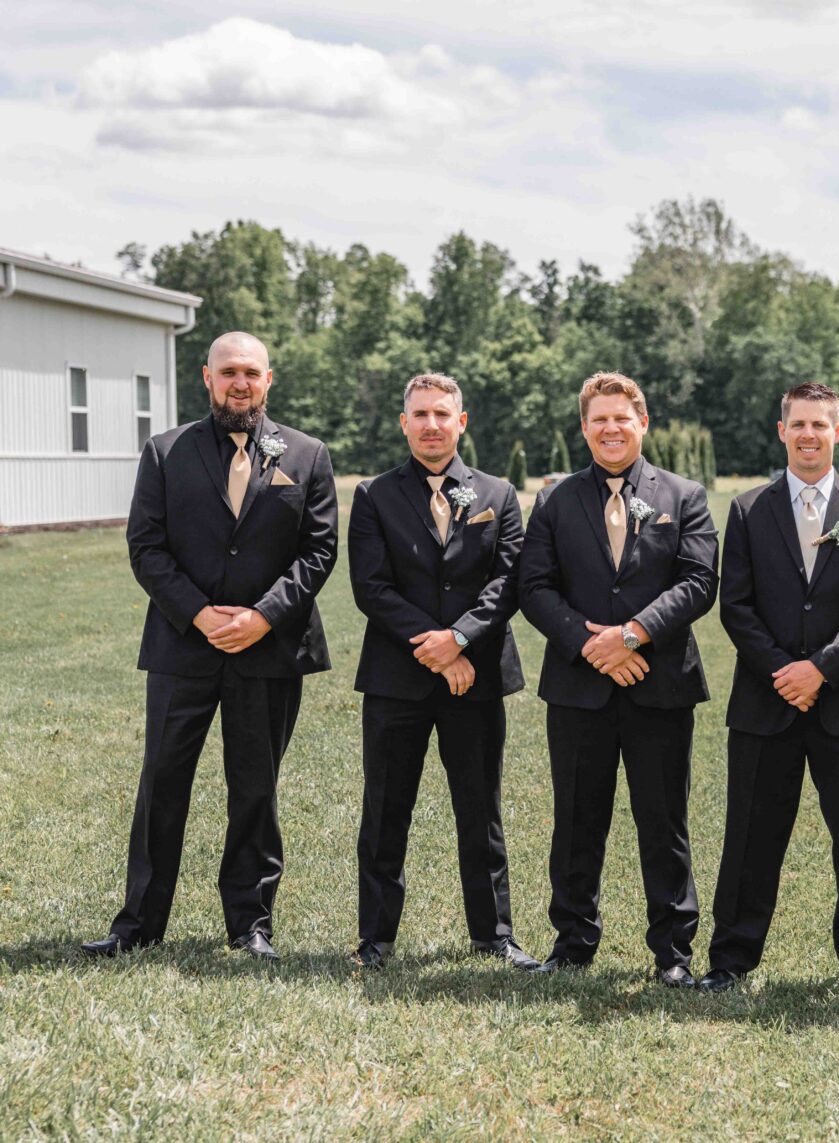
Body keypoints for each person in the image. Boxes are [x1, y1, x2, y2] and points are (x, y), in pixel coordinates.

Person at [82, 331, 338, 961]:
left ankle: (250, 925)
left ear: (268, 379)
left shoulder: (307, 455)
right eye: (228, 372)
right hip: (182, 646)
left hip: (269, 649)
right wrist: (198, 614)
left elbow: (319, 550)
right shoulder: (166, 452)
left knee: (256, 788)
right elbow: (146, 546)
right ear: (207, 377)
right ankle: (138, 924)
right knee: (162, 781)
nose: (239, 383)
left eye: (251, 372)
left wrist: (262, 617)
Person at [517, 372, 718, 987]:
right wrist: (591, 644)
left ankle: (674, 952)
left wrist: (630, 635)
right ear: (584, 428)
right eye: (599, 419)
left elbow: (698, 582)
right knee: (577, 820)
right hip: (578, 687)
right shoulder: (554, 500)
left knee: (664, 820)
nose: (611, 429)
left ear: (642, 423)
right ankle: (573, 943)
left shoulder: (684, 495)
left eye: (621, 418)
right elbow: (534, 586)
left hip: (660, 684)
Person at [699, 382, 839, 1000]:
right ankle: (730, 960)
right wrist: (785, 671)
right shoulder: (748, 509)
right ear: (782, 431)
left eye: (820, 424)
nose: (809, 434)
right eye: (799, 424)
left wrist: (822, 669)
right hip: (766, 700)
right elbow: (736, 605)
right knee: (749, 837)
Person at [345, 373, 536, 971]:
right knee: (385, 808)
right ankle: (376, 938)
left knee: (481, 808)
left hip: (476, 675)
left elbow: (507, 582)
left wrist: (459, 640)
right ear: (404, 423)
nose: (432, 425)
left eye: (442, 414)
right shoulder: (374, 495)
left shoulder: (499, 494)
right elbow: (371, 587)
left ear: (462, 422)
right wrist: (433, 647)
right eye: (421, 414)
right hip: (396, 678)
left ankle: (494, 935)